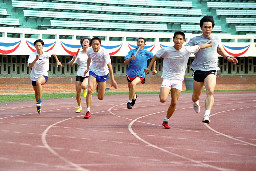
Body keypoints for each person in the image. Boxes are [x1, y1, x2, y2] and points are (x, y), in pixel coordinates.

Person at [145, 31, 213, 129]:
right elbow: (155, 56)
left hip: (178, 80)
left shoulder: (187, 49)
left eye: (181, 39)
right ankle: (163, 91)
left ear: (184, 41)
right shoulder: (166, 50)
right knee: (163, 99)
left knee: (174, 102)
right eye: (176, 38)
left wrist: (210, 44)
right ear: (173, 40)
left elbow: (200, 47)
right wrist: (149, 67)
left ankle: (166, 120)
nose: (178, 40)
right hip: (168, 78)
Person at [186, 16, 238, 124]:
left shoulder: (216, 38)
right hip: (198, 69)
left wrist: (227, 57)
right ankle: (195, 102)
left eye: (209, 27)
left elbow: (219, 49)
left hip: (211, 68)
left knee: (210, 90)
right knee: (196, 96)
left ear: (212, 28)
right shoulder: (195, 40)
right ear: (201, 27)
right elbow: (186, 49)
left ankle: (206, 115)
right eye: (205, 27)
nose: (207, 29)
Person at [83, 37, 118, 119]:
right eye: (94, 44)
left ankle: (98, 86)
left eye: (97, 44)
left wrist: (112, 80)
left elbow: (110, 66)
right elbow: (89, 59)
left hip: (103, 73)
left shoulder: (104, 52)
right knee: (90, 90)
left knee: (100, 97)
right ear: (91, 45)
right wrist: (88, 68)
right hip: (93, 71)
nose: (96, 46)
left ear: (100, 45)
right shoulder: (89, 51)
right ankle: (88, 111)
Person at [27, 39, 62, 114]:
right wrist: (35, 59)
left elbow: (54, 53)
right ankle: (38, 106)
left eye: (40, 45)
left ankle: (40, 99)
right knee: (36, 92)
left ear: (42, 46)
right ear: (35, 47)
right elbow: (30, 66)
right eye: (37, 45)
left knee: (38, 82)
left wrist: (57, 61)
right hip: (34, 75)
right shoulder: (32, 55)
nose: (38, 47)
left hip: (43, 75)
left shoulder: (46, 54)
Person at [124, 37, 156, 109]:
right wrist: (131, 58)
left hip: (140, 74)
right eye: (139, 42)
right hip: (130, 73)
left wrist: (153, 69)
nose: (140, 43)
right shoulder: (132, 52)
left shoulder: (146, 53)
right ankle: (134, 96)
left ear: (144, 44)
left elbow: (154, 58)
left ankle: (129, 101)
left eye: (142, 42)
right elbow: (125, 62)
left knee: (133, 84)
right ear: (137, 43)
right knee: (131, 88)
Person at [68, 38, 91, 113]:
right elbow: (70, 65)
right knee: (78, 93)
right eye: (84, 42)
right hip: (79, 73)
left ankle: (85, 88)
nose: (85, 43)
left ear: (89, 44)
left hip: (88, 73)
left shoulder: (91, 53)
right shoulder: (79, 53)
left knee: (84, 86)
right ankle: (79, 106)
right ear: (81, 44)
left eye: (87, 42)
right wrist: (73, 59)